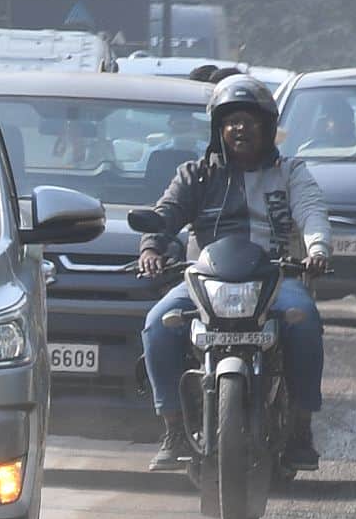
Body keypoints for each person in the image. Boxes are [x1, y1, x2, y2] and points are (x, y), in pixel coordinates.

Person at [137, 75, 331, 471]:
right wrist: (151, 247)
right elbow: (166, 213)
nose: (240, 128)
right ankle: (174, 428)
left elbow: (311, 211)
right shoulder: (195, 174)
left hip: (276, 279)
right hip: (205, 283)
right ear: (218, 129)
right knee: (157, 323)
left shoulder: (290, 172)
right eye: (231, 121)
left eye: (250, 120)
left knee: (305, 321)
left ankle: (300, 427)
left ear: (268, 127)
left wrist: (317, 250)